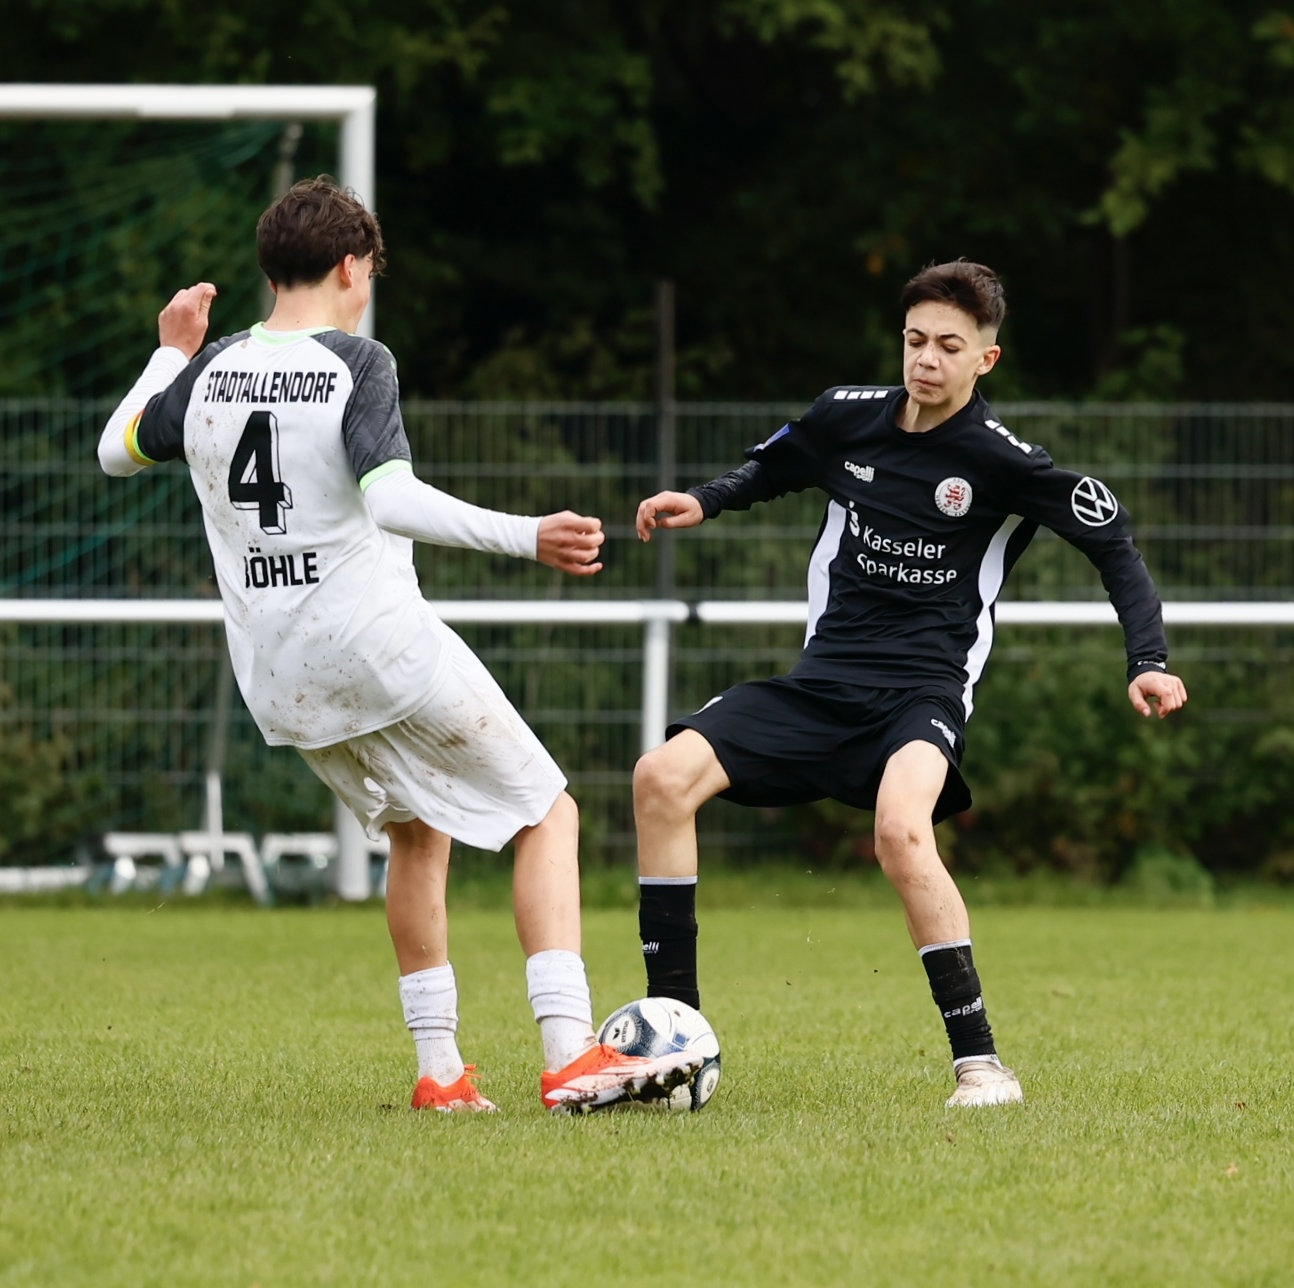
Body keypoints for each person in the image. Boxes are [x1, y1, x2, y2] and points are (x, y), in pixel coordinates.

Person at [98, 176, 701, 1115]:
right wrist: (527, 534)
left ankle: (440, 1073)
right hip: (377, 647)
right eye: (370, 273)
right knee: (548, 814)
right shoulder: (356, 362)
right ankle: (570, 1054)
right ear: (351, 267)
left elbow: (117, 449)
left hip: (277, 675)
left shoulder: (210, 370)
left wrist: (169, 353)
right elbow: (392, 500)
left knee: (416, 835)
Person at [631, 259, 1187, 1107]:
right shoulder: (845, 416)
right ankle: (674, 1038)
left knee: (899, 829)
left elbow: (1113, 543)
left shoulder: (1003, 461)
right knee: (660, 778)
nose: (927, 358)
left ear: (985, 360)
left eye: (949, 346)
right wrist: (704, 501)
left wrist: (1147, 659)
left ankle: (981, 1065)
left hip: (922, 694)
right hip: (822, 683)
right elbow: (774, 468)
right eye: (916, 339)